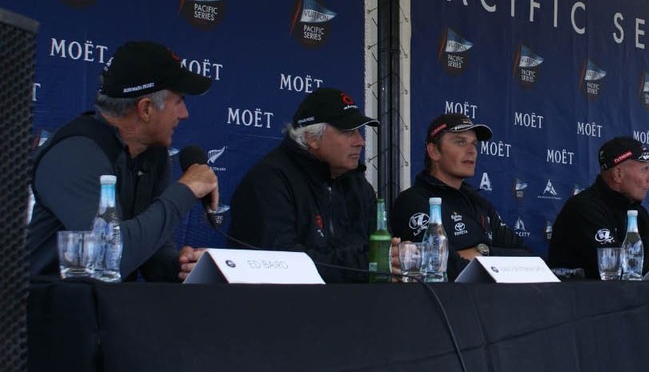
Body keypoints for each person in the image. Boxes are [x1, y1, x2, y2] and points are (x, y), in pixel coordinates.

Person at [26, 40, 219, 281]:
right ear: (146, 109)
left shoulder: (153, 155)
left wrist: (177, 267)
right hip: (46, 311)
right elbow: (107, 260)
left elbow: (150, 253)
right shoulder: (75, 154)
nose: (185, 114)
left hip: (106, 308)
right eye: (179, 102)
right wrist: (186, 190)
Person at [230, 87, 393, 283]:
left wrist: (394, 258)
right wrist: (364, 264)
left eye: (358, 131)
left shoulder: (358, 184)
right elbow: (280, 265)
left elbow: (380, 249)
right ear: (311, 138)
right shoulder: (269, 181)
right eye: (347, 132)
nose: (360, 141)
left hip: (354, 306)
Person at [390, 113, 529, 280]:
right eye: (460, 142)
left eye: (474, 144)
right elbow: (441, 267)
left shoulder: (479, 202)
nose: (471, 151)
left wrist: (482, 251)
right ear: (434, 151)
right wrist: (491, 258)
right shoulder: (413, 201)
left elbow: (527, 258)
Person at [547, 136, 649, 279]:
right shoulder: (584, 208)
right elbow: (619, 271)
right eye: (645, 169)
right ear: (618, 174)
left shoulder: (636, 211)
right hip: (580, 301)